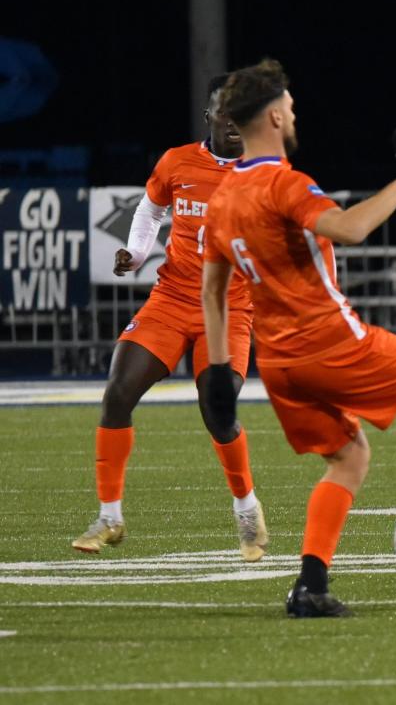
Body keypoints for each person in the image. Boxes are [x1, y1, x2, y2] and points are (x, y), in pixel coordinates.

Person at [202, 58, 396, 618]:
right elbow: (350, 228)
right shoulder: (283, 182)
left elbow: (213, 290)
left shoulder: (223, 196)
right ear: (274, 116)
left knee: (348, 459)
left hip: (277, 363)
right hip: (330, 341)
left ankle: (311, 587)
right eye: (291, 106)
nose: (295, 112)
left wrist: (219, 376)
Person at [71, 76, 268, 563]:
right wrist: (136, 254)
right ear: (211, 116)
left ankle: (246, 508)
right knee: (117, 394)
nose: (236, 121)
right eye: (227, 111)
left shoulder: (267, 173)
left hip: (228, 309)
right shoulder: (177, 161)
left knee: (216, 409)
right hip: (174, 296)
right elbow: (151, 208)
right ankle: (110, 517)